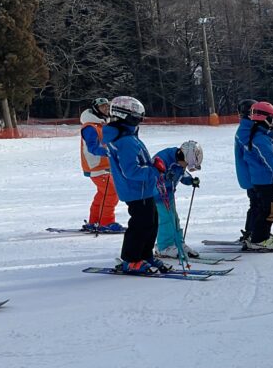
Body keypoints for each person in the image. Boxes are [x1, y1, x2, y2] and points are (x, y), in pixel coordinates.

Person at [103, 96, 169, 274]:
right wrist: (154, 170)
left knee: (151, 223)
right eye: (137, 115)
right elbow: (131, 171)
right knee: (140, 225)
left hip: (143, 189)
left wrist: (153, 164)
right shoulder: (125, 141)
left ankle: (144, 255)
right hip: (135, 191)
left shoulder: (128, 136)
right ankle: (131, 259)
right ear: (127, 116)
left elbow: (139, 163)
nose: (140, 119)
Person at [242, 101, 273, 250]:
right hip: (265, 181)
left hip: (267, 180)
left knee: (268, 209)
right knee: (270, 210)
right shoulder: (260, 139)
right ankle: (259, 239)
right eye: (272, 119)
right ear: (265, 119)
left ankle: (261, 235)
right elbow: (269, 160)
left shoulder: (263, 136)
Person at [153, 141, 203, 259]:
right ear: (183, 156)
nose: (184, 167)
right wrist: (165, 177)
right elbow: (152, 175)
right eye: (185, 164)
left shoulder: (179, 160)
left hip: (168, 193)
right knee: (166, 219)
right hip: (157, 194)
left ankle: (178, 243)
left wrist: (190, 181)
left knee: (174, 218)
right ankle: (164, 247)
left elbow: (182, 174)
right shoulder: (163, 158)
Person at [79, 98, 122, 232]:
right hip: (97, 167)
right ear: (95, 109)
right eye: (102, 107)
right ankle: (106, 222)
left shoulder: (101, 125)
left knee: (102, 194)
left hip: (103, 167)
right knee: (112, 193)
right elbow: (93, 148)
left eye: (106, 107)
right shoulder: (90, 127)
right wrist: (109, 152)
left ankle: (95, 221)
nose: (105, 109)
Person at [234, 99, 258, 243]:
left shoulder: (249, 127)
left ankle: (252, 231)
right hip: (250, 175)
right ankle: (251, 232)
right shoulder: (245, 130)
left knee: (256, 203)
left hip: (251, 174)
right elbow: (251, 152)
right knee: (257, 203)